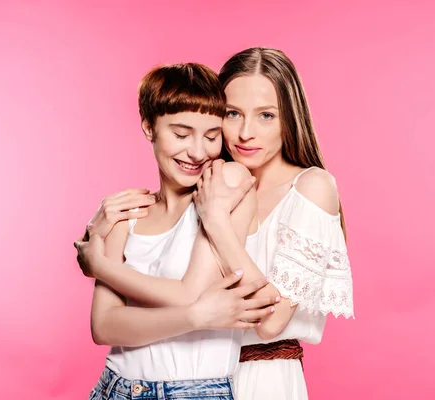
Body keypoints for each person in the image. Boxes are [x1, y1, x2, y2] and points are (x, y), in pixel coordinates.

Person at [78, 47, 354, 400]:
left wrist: (217, 224)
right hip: (196, 370)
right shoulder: (209, 182)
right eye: (233, 114)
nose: (245, 133)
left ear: (290, 118)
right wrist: (97, 233)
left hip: (264, 376)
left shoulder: (310, 186)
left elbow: (270, 322)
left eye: (266, 115)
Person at [76, 62, 278, 400]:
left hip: (195, 391)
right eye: (181, 134)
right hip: (115, 387)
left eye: (212, 136)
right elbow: (104, 326)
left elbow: (189, 294)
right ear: (149, 128)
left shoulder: (226, 183)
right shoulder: (128, 211)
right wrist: (193, 316)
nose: (198, 152)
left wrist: (101, 267)